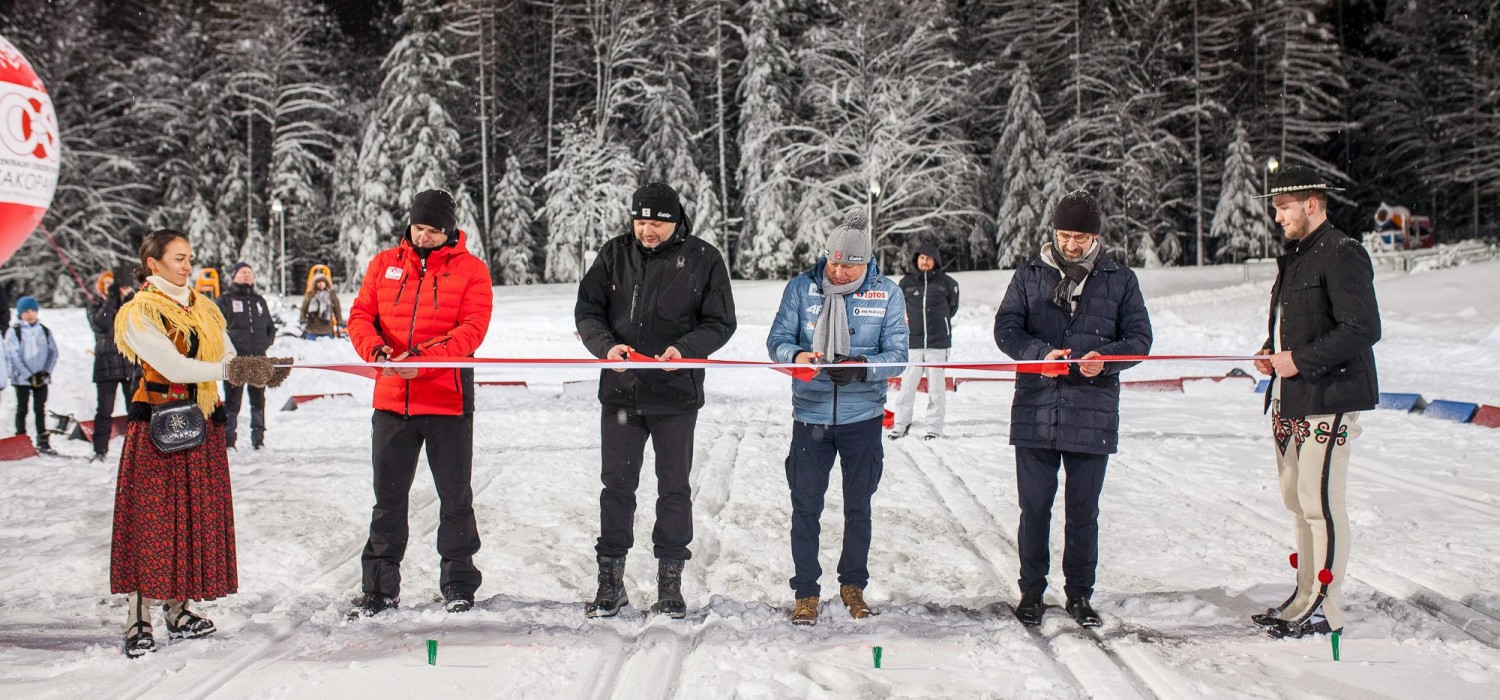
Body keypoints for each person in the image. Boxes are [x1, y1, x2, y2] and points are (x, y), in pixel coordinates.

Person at [111, 229, 285, 658]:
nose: (187, 266)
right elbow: (173, 364)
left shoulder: (205, 307)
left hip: (202, 423)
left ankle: (178, 608)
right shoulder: (139, 311)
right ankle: (138, 616)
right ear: (153, 264)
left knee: (191, 515)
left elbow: (224, 355)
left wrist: (250, 367)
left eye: (189, 257)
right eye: (177, 259)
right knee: (151, 519)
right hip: (157, 427)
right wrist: (235, 372)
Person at [574, 182, 737, 619]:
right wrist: (606, 347)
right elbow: (588, 310)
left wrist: (685, 349)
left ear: (675, 221)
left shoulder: (703, 259)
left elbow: (721, 322)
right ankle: (610, 582)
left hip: (675, 396)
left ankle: (670, 584)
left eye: (657, 223)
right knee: (618, 486)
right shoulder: (614, 254)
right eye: (641, 221)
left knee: (674, 489)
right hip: (622, 395)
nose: (647, 231)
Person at [993, 189, 1153, 629]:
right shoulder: (1029, 275)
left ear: (1095, 237)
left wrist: (1106, 359)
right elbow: (1005, 328)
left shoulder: (1120, 280)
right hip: (1036, 408)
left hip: (1091, 411)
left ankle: (1080, 595)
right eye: (1065, 235)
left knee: (1083, 511)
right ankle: (1031, 590)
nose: (1072, 244)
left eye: (1081, 236)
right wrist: (1038, 352)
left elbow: (1140, 339)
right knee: (1035, 508)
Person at [345, 188, 493, 618]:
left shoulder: (471, 271)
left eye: (434, 230)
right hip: (392, 401)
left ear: (449, 231)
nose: (424, 236)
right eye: (419, 227)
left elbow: (472, 330)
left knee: (455, 498)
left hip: (447, 402)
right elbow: (360, 316)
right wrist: (375, 351)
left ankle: (459, 582)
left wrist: (423, 363)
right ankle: (378, 587)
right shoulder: (384, 264)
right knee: (387, 500)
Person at [1249, 165, 1380, 640]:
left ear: (1312, 204)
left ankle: (1327, 604)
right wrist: (1272, 352)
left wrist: (1298, 360)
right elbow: (1295, 326)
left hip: (1330, 397)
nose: (1277, 216)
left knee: (1320, 502)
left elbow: (1363, 329)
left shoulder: (1343, 253)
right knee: (1297, 500)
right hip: (1291, 400)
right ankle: (1304, 594)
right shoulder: (1297, 258)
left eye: (1284, 207)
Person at [766, 210, 908, 626]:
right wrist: (796, 356)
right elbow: (777, 340)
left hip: (861, 416)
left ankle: (853, 585)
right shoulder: (801, 288)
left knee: (858, 506)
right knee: (804, 506)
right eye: (834, 261)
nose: (839, 271)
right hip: (810, 415)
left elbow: (898, 357)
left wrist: (862, 366)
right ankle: (806, 591)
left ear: (867, 264)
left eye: (850, 265)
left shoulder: (887, 295)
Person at [890, 243, 960, 441]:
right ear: (916, 260)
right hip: (912, 343)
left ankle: (934, 429)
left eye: (929, 258)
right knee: (907, 388)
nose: (925, 261)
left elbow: (952, 308)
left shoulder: (947, 283)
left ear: (935, 260)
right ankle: (901, 425)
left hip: (938, 344)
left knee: (936, 390)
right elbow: (898, 308)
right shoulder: (906, 282)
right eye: (921, 257)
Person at [217, 262, 277, 450]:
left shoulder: (259, 301)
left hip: (259, 359)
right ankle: (229, 441)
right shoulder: (225, 300)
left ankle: (258, 440)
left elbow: (270, 327)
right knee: (233, 402)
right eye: (242, 272)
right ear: (234, 276)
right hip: (236, 361)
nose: (247, 275)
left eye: (249, 272)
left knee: (258, 401)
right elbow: (217, 328)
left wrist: (264, 343)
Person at [88, 268, 141, 462]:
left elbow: (139, 319)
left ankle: (137, 449)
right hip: (106, 364)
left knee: (135, 409)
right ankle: (100, 450)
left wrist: (129, 296)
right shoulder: (96, 304)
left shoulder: (126, 304)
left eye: (114, 284)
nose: (112, 288)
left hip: (128, 363)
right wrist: (111, 299)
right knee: (104, 410)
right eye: (108, 284)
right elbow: (101, 325)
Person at [6, 295, 59, 455]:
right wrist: (29, 375)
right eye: (26, 311)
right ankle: (20, 439)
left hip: (41, 378)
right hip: (22, 379)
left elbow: (53, 352)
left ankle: (43, 441)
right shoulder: (15, 332)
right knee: (22, 409)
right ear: (20, 313)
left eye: (33, 311)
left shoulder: (44, 330)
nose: (30, 314)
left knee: (40, 409)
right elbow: (13, 356)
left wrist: (45, 372)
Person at [301, 272, 343, 340]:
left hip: (327, 330)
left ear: (326, 283)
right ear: (315, 283)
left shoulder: (331, 294)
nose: (320, 284)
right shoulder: (310, 295)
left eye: (322, 282)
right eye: (318, 282)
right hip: (312, 330)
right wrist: (302, 322)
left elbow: (337, 310)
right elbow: (303, 309)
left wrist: (339, 323)